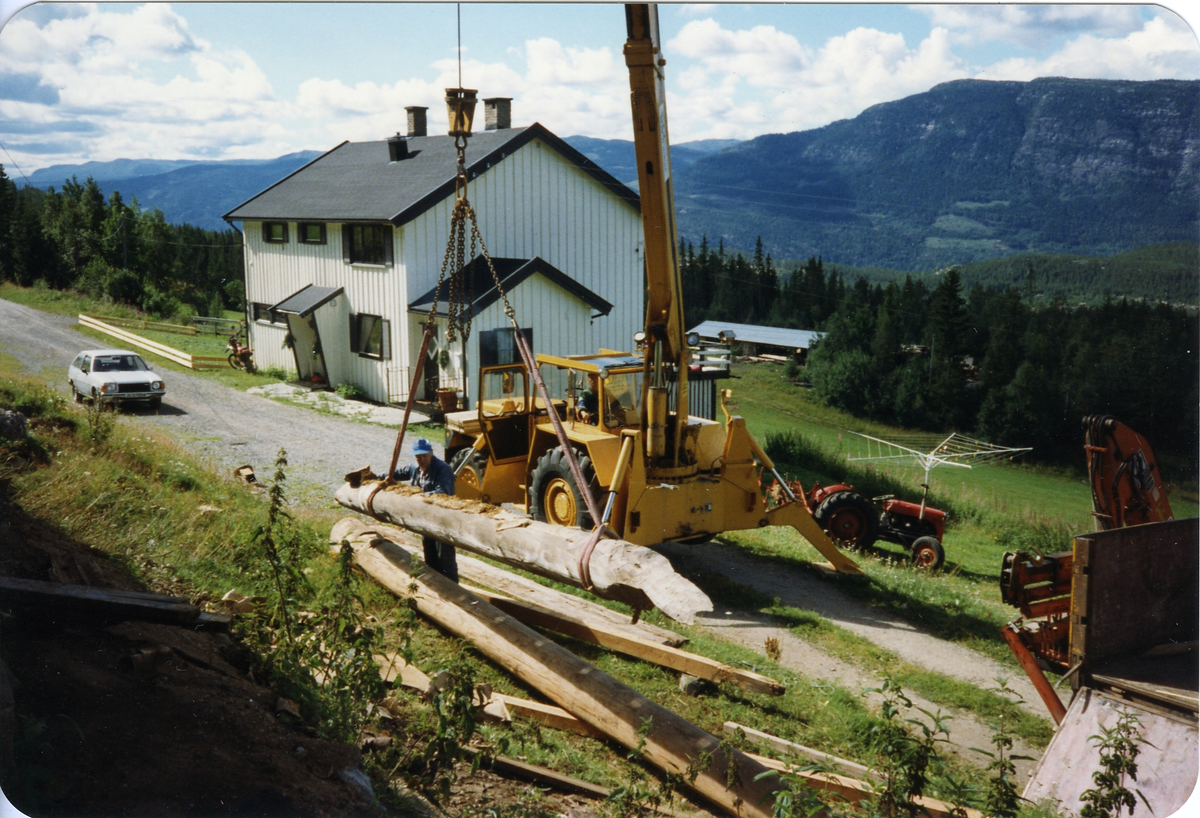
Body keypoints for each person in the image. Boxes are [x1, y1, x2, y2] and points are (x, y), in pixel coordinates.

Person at [392, 438, 458, 582]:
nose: (422, 459)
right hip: (426, 519)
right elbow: (396, 473)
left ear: (431, 453)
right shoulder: (414, 468)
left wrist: (418, 495)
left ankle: (453, 590)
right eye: (418, 456)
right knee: (430, 556)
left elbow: (443, 492)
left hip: (442, 520)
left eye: (425, 456)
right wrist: (377, 476)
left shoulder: (442, 468)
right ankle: (436, 589)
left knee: (445, 559)